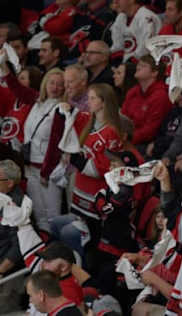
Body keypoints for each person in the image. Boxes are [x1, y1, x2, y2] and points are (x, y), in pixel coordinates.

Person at [50, 83, 124, 260]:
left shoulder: (111, 132)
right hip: (79, 192)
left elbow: (102, 170)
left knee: (80, 241)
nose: (88, 101)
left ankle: (81, 274)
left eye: (92, 98)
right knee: (57, 226)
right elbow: (68, 118)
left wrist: (75, 158)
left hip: (95, 197)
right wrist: (65, 109)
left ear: (104, 102)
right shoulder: (86, 120)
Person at [23, 68, 65, 232]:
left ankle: (57, 250)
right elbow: (17, 89)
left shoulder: (61, 108)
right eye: (52, 83)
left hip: (49, 170)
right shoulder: (37, 102)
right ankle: (45, 248)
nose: (55, 87)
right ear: (45, 83)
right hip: (30, 167)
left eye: (60, 85)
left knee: (53, 216)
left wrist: (46, 172)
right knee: (39, 215)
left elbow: (55, 143)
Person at [121, 55, 174, 150]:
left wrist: (129, 138)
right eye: (138, 64)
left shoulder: (161, 96)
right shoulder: (133, 91)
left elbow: (152, 129)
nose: (138, 67)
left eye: (143, 65)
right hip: (127, 138)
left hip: (146, 144)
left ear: (154, 73)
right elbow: (123, 117)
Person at [0, 160, 25, 278]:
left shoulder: (17, 208)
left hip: (7, 272)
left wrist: (1, 271)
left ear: (9, 183)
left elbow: (18, 247)